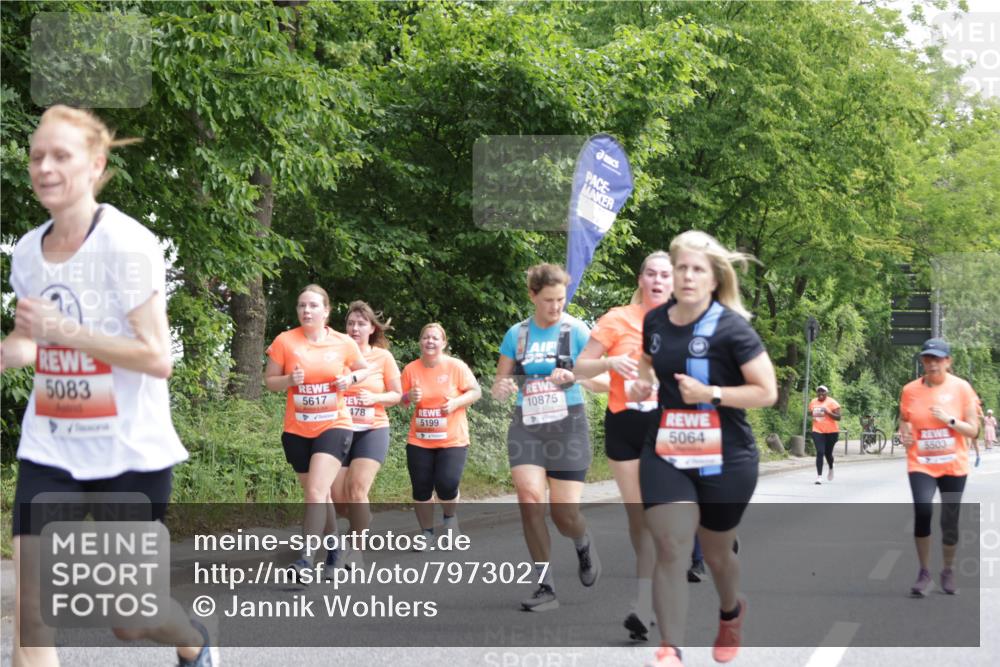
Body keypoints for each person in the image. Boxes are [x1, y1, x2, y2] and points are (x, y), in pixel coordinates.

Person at [2, 105, 216, 666]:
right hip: (50, 447)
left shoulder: (127, 244)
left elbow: (156, 357)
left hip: (129, 451)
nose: (44, 167)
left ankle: (194, 643)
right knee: (31, 614)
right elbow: (31, 343)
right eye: (36, 156)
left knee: (132, 619)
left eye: (61, 155)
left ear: (96, 165)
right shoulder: (27, 252)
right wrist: (10, 353)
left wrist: (65, 330)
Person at [629, 231, 777, 667]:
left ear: (714, 279)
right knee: (671, 544)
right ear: (671, 273)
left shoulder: (733, 329)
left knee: (716, 554)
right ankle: (671, 649)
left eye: (698, 269)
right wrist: (644, 381)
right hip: (667, 449)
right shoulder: (656, 320)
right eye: (681, 268)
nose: (688, 276)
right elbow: (649, 361)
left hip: (726, 456)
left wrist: (711, 393)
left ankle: (731, 611)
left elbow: (766, 391)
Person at [491, 263, 602, 613]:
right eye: (549, 300)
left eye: (561, 299)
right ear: (533, 296)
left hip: (568, 423)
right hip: (527, 423)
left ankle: (582, 542)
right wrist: (504, 387)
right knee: (529, 498)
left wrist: (575, 378)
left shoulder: (577, 331)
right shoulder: (517, 335)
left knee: (564, 514)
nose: (556, 307)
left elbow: (603, 381)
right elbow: (497, 388)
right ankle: (544, 585)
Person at [573, 251, 669, 636]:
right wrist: (610, 365)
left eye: (666, 274)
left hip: (670, 423)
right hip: (625, 423)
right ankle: (645, 604)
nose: (658, 280)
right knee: (640, 518)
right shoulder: (616, 319)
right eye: (651, 273)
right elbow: (581, 366)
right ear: (641, 279)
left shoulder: (688, 321)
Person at [265, 285, 369, 579]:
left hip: (334, 424)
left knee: (315, 491)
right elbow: (269, 382)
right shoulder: (285, 341)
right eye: (301, 306)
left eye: (312, 306)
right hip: (297, 429)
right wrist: (289, 379)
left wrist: (349, 379)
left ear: (326, 311)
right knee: (318, 494)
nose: (306, 311)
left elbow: (364, 369)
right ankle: (334, 545)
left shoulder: (343, 342)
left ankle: (306, 559)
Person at [897, 338, 981, 596]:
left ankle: (948, 569)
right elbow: (904, 419)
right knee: (923, 510)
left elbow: (974, 430)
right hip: (921, 462)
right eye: (927, 358)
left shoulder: (962, 388)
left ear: (948, 361)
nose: (932, 364)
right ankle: (924, 572)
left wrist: (950, 420)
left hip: (953, 465)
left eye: (937, 359)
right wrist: (905, 433)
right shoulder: (910, 390)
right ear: (922, 361)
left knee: (950, 521)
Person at [331, 301, 402, 566]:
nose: (355, 328)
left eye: (361, 323)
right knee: (339, 499)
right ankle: (362, 521)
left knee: (358, 489)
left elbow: (397, 394)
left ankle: (356, 551)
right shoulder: (336, 355)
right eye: (350, 323)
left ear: (372, 328)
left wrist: (374, 397)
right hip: (340, 429)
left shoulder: (382, 357)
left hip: (372, 429)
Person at [400, 323, 481, 542]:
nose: (430, 341)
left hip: (452, 439)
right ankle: (426, 533)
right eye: (426, 337)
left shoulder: (456, 366)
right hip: (420, 439)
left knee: (447, 484)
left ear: (443, 343)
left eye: (435, 338)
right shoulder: (411, 369)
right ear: (420, 342)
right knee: (421, 488)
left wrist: (455, 403)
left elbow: (475, 391)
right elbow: (402, 401)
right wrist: (410, 397)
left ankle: (450, 518)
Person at [809, 385, 842, 484]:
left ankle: (831, 467)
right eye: (819, 392)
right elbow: (810, 413)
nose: (820, 394)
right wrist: (815, 413)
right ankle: (819, 476)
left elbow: (838, 417)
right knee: (820, 452)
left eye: (823, 392)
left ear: (826, 393)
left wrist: (828, 412)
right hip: (817, 430)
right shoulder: (813, 402)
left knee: (828, 454)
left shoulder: (833, 403)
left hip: (831, 432)